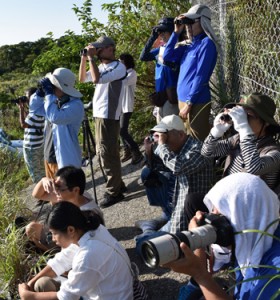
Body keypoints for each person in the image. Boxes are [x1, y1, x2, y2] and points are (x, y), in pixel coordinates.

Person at [165, 173, 280, 300]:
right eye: (212, 211)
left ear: (243, 216)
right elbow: (212, 268)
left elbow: (205, 274)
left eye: (218, 213)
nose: (212, 219)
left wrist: (199, 274)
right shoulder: (253, 241)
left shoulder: (274, 274)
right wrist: (198, 240)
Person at [18, 201, 133, 300]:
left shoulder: (87, 256)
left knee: (43, 285)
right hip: (118, 292)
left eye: (54, 234)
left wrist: (28, 296)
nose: (52, 239)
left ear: (70, 230)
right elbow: (60, 261)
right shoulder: (93, 231)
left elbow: (66, 297)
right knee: (41, 283)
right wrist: (30, 283)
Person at [135, 115, 214, 249]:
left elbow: (178, 166)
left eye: (165, 135)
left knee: (143, 245)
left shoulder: (198, 150)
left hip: (193, 216)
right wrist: (149, 154)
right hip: (177, 208)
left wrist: (161, 147)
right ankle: (163, 220)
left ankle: (149, 229)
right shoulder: (177, 148)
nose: (162, 140)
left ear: (181, 135)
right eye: (159, 136)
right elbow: (158, 168)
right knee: (147, 173)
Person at [79, 36, 127, 208]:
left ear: (110, 49)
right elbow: (82, 79)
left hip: (108, 115)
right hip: (99, 114)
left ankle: (114, 192)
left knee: (106, 153)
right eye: (96, 49)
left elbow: (96, 79)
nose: (97, 51)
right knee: (106, 152)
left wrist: (91, 57)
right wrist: (84, 58)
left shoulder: (119, 67)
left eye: (100, 48)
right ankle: (118, 184)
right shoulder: (100, 66)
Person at [201, 92, 280, 191]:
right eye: (242, 114)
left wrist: (244, 128)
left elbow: (254, 168)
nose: (243, 119)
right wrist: (216, 132)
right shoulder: (237, 140)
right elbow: (207, 152)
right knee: (192, 200)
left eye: (248, 115)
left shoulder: (274, 152)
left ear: (266, 122)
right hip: (227, 197)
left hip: (250, 204)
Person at [163, 4, 219, 141]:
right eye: (186, 23)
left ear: (203, 21)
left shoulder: (207, 44)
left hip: (195, 101)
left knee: (199, 140)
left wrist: (189, 103)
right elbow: (167, 57)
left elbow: (201, 76)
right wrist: (176, 33)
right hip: (183, 99)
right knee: (189, 139)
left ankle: (210, 162)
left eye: (192, 21)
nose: (188, 26)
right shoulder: (190, 44)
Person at [26, 166, 104, 251]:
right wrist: (44, 180)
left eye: (59, 188)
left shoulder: (88, 214)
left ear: (75, 190)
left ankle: (52, 254)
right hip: (62, 233)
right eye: (56, 186)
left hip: (74, 244)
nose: (56, 191)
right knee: (31, 228)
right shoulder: (70, 196)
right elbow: (36, 195)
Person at [40, 68, 84, 169]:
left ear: (61, 88)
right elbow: (35, 110)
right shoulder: (56, 101)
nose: (52, 87)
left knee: (68, 184)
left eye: (53, 85)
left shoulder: (75, 105)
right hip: (52, 155)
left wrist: (49, 95)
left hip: (67, 159)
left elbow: (54, 117)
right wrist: (39, 94)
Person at [140, 17, 179, 123]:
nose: (161, 34)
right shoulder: (160, 49)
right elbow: (143, 57)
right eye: (159, 32)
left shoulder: (180, 48)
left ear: (172, 31)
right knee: (161, 131)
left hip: (171, 95)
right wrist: (152, 37)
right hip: (160, 96)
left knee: (170, 129)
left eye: (163, 31)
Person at [119, 53, 143, 164]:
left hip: (126, 106)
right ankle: (127, 150)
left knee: (123, 130)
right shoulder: (122, 73)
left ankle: (136, 151)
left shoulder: (132, 73)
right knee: (120, 131)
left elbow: (122, 82)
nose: (120, 64)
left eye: (121, 62)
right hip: (119, 106)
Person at [17, 87, 45, 183]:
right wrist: (25, 109)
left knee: (34, 171)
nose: (26, 99)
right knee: (42, 169)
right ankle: (47, 189)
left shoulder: (33, 114)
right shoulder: (41, 110)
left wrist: (21, 109)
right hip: (39, 145)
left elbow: (23, 124)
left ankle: (44, 193)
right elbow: (30, 118)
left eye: (27, 97)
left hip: (31, 147)